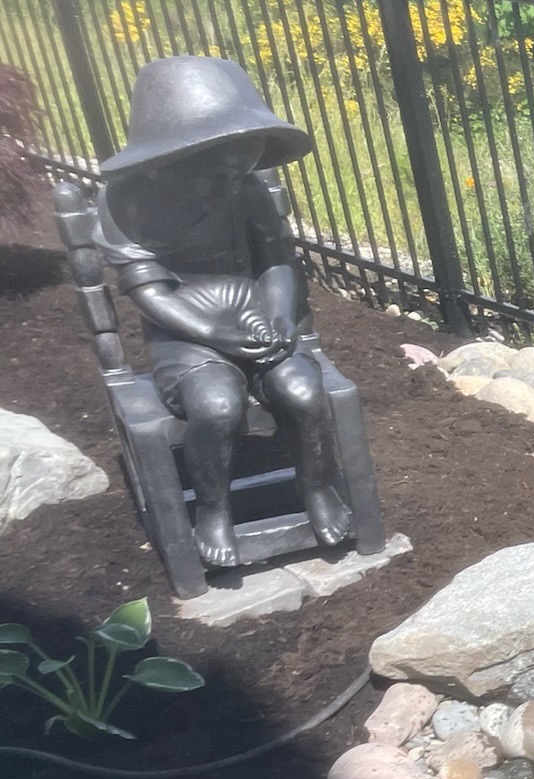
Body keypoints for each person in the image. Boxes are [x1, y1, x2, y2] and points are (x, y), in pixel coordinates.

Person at [94, 56, 351, 568]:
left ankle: (318, 486)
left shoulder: (245, 190)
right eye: (214, 176)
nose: (229, 188)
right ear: (164, 163)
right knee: (216, 406)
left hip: (255, 317)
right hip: (186, 334)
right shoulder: (125, 203)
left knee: (303, 392)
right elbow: (150, 293)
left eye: (238, 175)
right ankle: (213, 508)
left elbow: (276, 261)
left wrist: (281, 317)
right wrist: (213, 335)